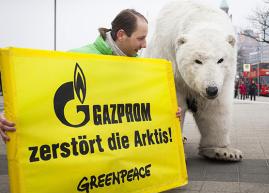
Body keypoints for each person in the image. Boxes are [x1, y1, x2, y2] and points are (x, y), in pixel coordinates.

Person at [0, 9, 181, 142]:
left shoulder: (139, 65)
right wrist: (7, 114)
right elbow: (40, 94)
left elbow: (145, 103)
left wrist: (167, 111)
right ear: (121, 35)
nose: (144, 45)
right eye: (140, 38)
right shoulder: (78, 58)